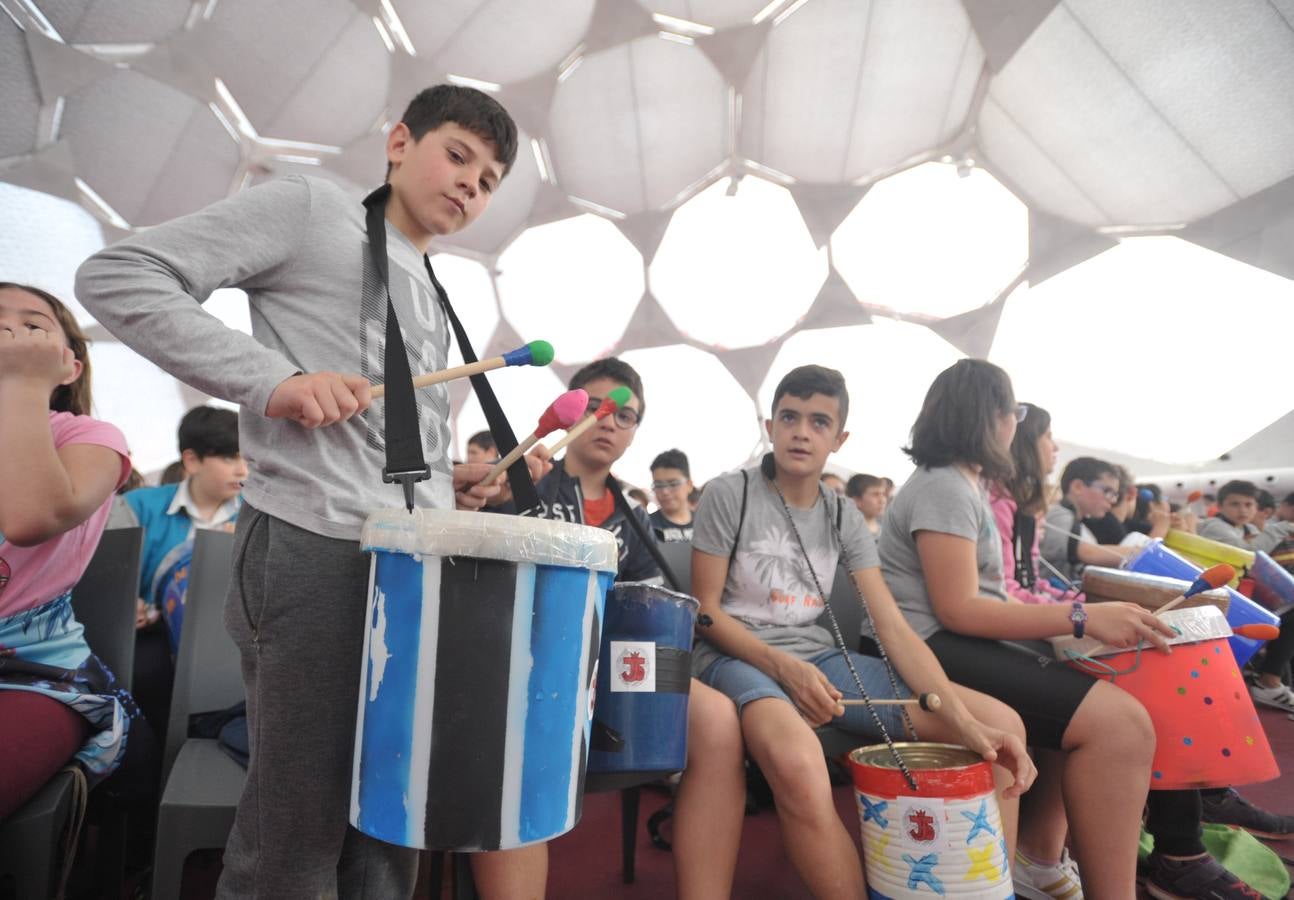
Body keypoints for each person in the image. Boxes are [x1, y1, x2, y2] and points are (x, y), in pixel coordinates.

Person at [77, 85, 547, 899]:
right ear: (399, 142)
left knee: (389, 817)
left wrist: (442, 482)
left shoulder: (430, 283)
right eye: (458, 155)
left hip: (410, 565)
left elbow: (385, 440)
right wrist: (275, 380)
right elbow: (119, 274)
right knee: (298, 829)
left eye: (491, 178)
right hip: (314, 548)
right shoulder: (310, 208)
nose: (472, 184)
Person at [877, 358, 1271, 898]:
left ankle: (1043, 859)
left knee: (1102, 684)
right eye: (1012, 411)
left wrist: (1081, 624)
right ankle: (1129, 877)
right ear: (990, 416)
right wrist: (1082, 616)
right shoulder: (945, 486)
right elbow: (958, 610)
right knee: (1120, 724)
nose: (1017, 425)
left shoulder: (959, 483)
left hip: (953, 640)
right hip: (931, 648)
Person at [690, 364, 1034, 899]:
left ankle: (991, 889)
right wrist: (784, 668)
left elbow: (892, 626)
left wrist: (964, 723)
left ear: (838, 438)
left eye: (818, 421)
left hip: (821, 663)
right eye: (790, 417)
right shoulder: (728, 493)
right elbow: (707, 613)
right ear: (770, 425)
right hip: (734, 661)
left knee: (997, 724)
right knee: (799, 763)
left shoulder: (844, 514)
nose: (801, 431)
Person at [530, 358, 747, 900]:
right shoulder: (524, 479)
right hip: (527, 668)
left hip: (610, 673)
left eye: (625, 416)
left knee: (718, 719)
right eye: (598, 407)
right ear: (570, 412)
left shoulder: (635, 514)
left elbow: (648, 614)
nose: (609, 421)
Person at [0, 283, 137, 821]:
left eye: (34, 326)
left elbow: (31, 518)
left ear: (70, 368)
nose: (12, 331)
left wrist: (23, 389)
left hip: (32, 679)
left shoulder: (88, 437)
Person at [1198, 480, 1294, 715]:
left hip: (1240, 593)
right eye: (1235, 504)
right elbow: (1247, 556)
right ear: (1220, 506)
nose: (1242, 510)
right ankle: (1269, 681)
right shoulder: (1214, 526)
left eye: (1248, 505)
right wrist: (1278, 528)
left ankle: (1270, 677)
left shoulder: (1248, 529)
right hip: (1219, 596)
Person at [1039, 456, 1133, 586]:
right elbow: (1089, 553)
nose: (1113, 500)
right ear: (1078, 487)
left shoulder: (1077, 522)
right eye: (1107, 491)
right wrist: (1141, 552)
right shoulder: (1059, 515)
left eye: (1115, 495)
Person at [648, 448, 695, 543]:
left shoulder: (705, 525)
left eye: (673, 484)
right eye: (658, 485)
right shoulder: (645, 526)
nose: (665, 491)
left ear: (689, 485)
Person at [844, 472, 886, 538]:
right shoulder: (847, 534)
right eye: (875, 494)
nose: (882, 500)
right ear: (856, 500)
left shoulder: (885, 530)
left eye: (883, 494)